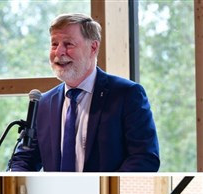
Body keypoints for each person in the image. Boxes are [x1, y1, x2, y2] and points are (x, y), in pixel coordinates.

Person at [9, 13, 160, 172]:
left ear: (93, 48)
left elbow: (144, 158)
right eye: (54, 44)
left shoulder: (126, 94)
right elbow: (24, 159)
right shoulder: (44, 103)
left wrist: (106, 192)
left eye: (68, 44)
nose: (59, 52)